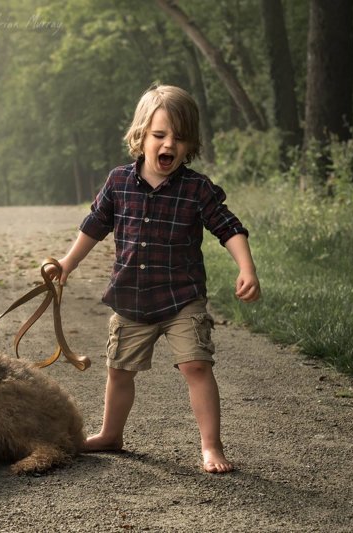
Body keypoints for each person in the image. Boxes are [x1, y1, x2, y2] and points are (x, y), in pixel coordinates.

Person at [51, 84, 260, 473]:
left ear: (190, 144)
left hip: (182, 297)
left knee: (197, 365)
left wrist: (246, 268)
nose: (169, 145)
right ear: (141, 136)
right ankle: (111, 434)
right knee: (119, 370)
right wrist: (67, 263)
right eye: (160, 135)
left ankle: (211, 446)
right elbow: (94, 226)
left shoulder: (197, 189)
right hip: (131, 298)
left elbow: (229, 228)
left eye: (179, 138)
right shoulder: (118, 183)